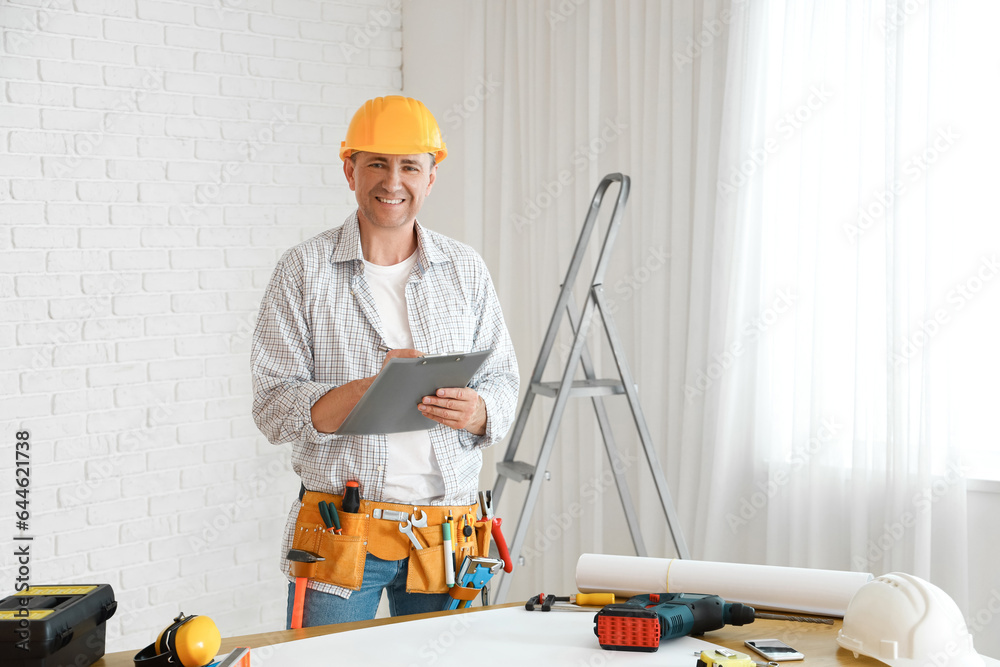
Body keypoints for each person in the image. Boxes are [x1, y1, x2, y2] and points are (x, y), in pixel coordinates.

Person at [251, 95, 519, 628]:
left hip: (448, 537)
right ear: (349, 169)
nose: (392, 181)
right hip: (340, 534)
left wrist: (480, 410)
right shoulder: (302, 272)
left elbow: (504, 383)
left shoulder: (464, 270)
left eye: (409, 166)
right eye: (376, 163)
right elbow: (273, 407)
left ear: (430, 177)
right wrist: (367, 390)